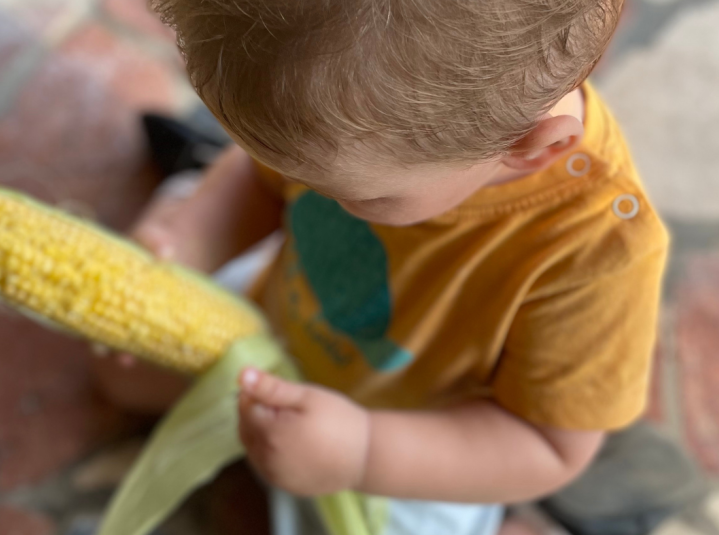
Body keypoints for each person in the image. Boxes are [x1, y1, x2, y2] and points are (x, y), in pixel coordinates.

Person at [93, 1, 669, 534]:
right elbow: (260, 182)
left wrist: (362, 452)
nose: (298, 185)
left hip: (415, 445)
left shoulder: (599, 253)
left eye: (349, 193)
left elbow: (548, 447)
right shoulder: (355, 119)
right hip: (281, 318)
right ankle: (190, 195)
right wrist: (190, 241)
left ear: (533, 147)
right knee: (122, 374)